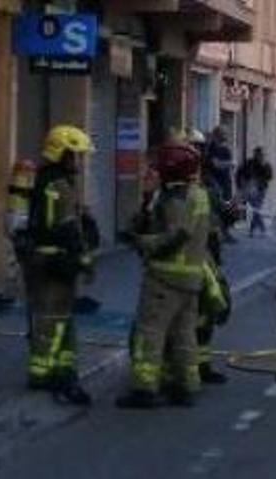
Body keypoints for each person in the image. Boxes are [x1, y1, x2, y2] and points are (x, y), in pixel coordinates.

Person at [116, 142, 212, 408]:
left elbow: (175, 235)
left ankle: (145, 389)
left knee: (151, 331)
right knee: (184, 334)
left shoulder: (174, 199)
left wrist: (142, 242)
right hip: (191, 278)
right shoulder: (199, 194)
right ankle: (187, 385)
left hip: (165, 277)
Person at [25, 125, 96, 406]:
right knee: (52, 321)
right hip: (56, 261)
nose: (77, 162)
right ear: (60, 153)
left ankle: (61, 367)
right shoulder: (60, 186)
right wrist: (84, 259)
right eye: (73, 155)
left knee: (58, 319)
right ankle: (44, 373)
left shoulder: (43, 180)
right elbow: (68, 229)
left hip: (43, 259)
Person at [204, 127, 238, 243]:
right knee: (218, 209)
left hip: (225, 182)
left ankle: (225, 232)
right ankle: (219, 233)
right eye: (224, 133)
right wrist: (230, 163)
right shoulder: (212, 148)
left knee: (227, 209)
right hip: (217, 183)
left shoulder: (225, 148)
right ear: (218, 135)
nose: (226, 136)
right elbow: (215, 164)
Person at [236, 147, 274, 237]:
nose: (260, 156)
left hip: (261, 190)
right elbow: (239, 172)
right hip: (250, 189)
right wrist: (240, 186)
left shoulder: (266, 164)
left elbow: (269, 177)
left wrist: (263, 167)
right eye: (258, 154)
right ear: (255, 154)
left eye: (261, 155)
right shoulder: (249, 163)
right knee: (256, 210)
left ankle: (253, 230)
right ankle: (260, 229)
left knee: (256, 209)